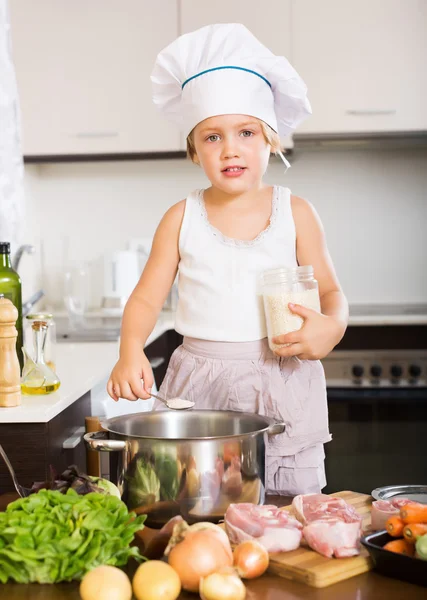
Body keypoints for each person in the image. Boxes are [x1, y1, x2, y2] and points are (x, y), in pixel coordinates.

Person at [107, 23, 348, 495]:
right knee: (198, 506)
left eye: (246, 132)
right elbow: (144, 299)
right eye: (212, 137)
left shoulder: (296, 212)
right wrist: (130, 348)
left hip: (283, 377)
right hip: (199, 386)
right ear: (194, 150)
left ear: (270, 140)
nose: (230, 148)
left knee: (287, 508)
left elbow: (332, 293)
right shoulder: (181, 217)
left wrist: (333, 326)